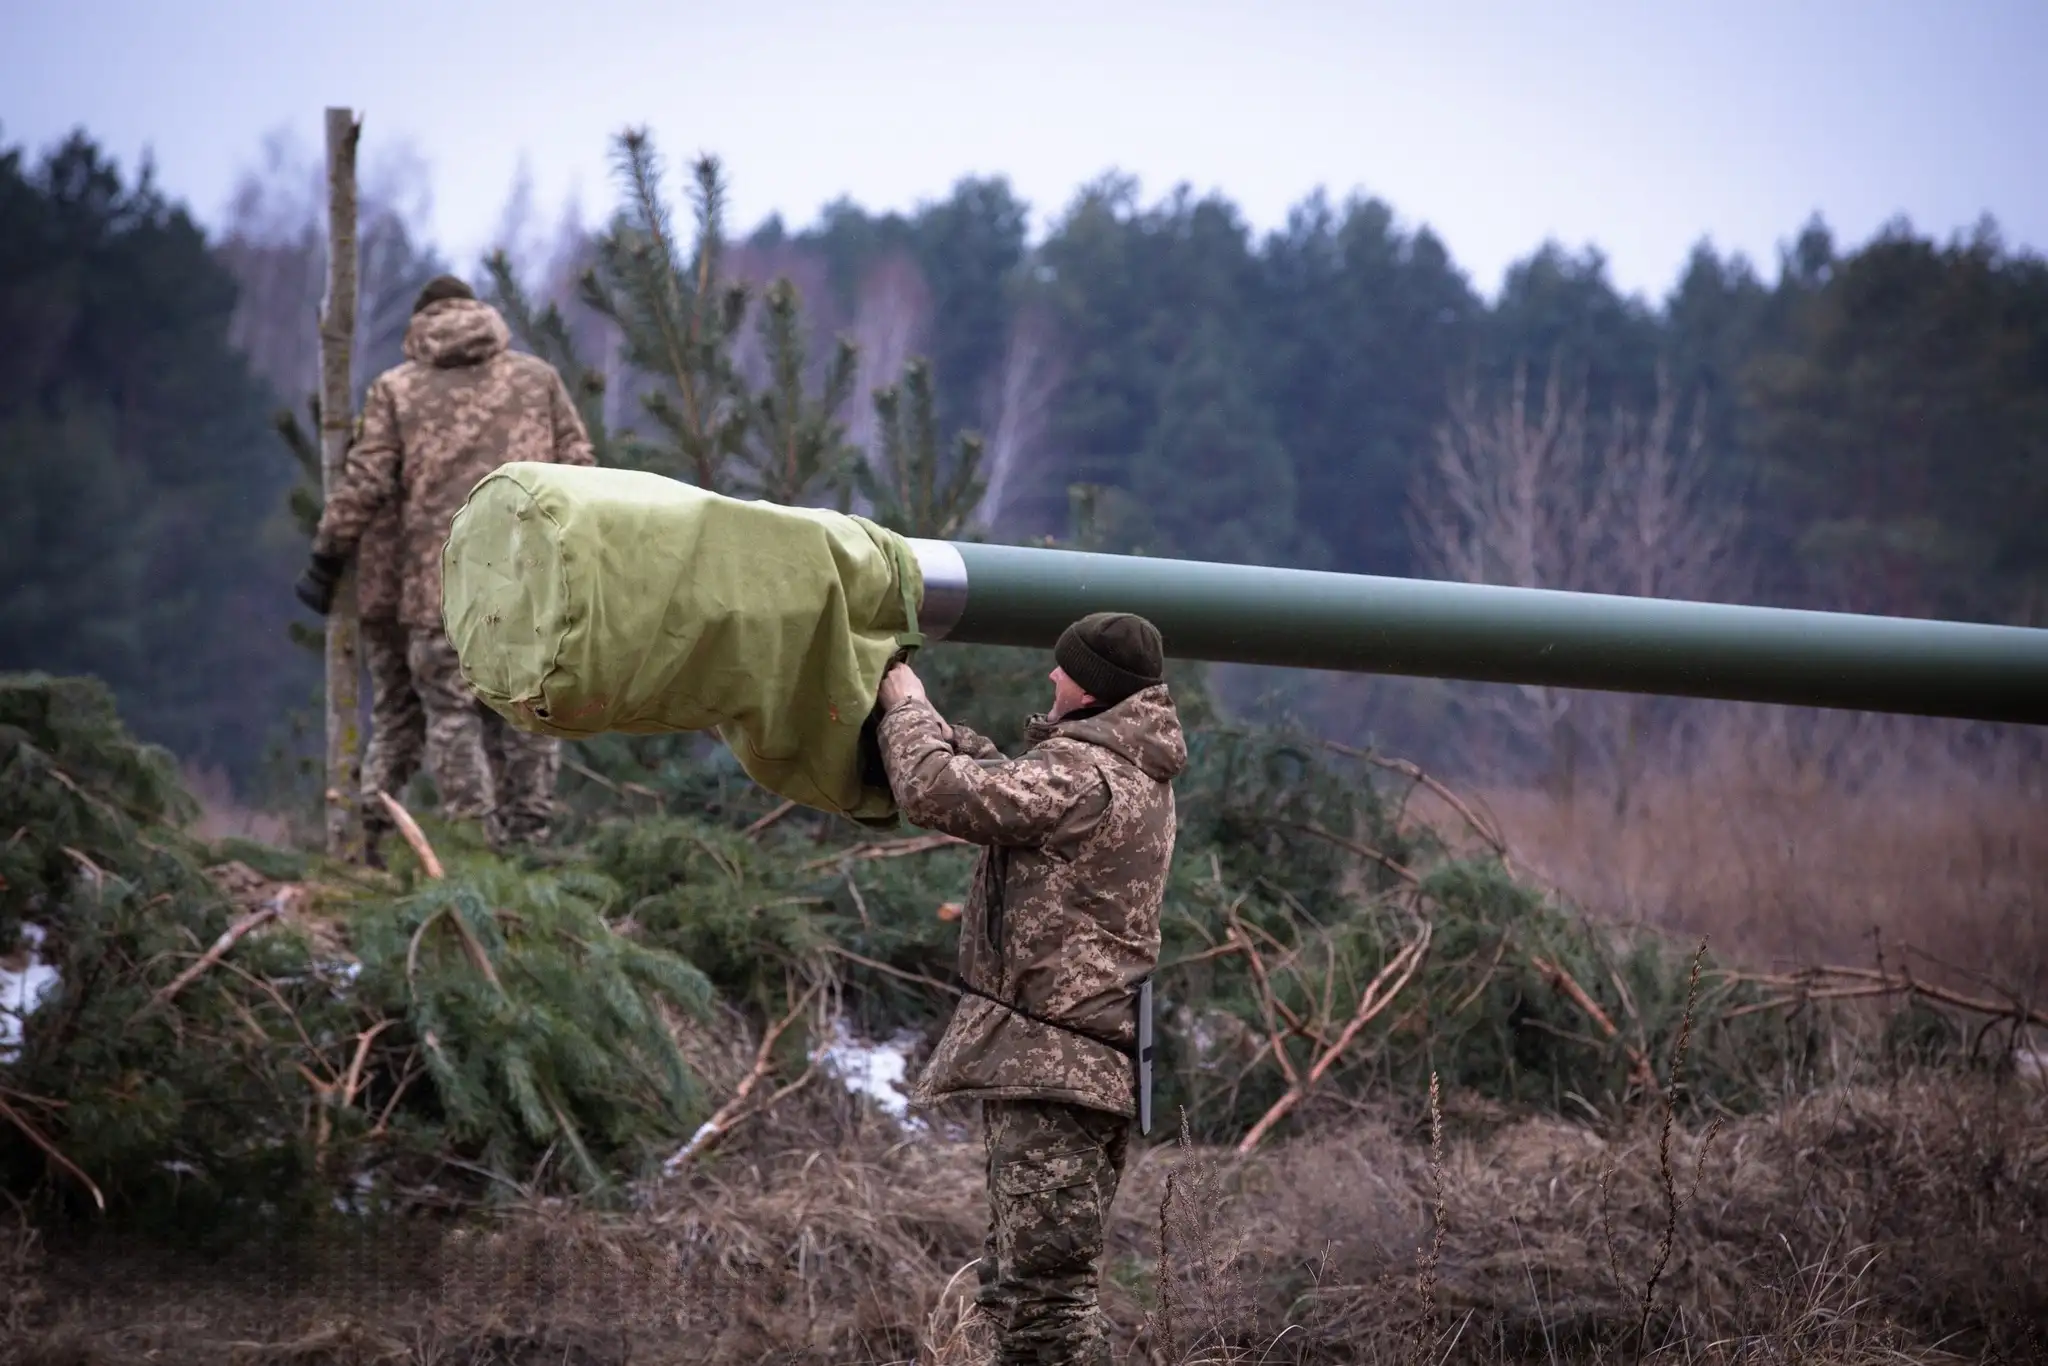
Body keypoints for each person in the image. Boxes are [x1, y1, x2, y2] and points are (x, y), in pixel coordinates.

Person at [874, 611, 1187, 1366]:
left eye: (1065, 669)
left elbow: (935, 793)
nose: (1051, 676)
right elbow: (999, 787)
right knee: (1027, 1293)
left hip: (1060, 1069)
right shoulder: (1118, 767)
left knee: (1041, 1310)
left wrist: (905, 704)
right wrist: (950, 734)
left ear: (1092, 691)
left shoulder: (1088, 774)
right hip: (1066, 1066)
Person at [295, 274, 596, 851]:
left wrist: (326, 555)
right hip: (529, 584)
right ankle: (528, 846)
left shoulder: (398, 390)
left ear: (420, 323)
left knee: (449, 715)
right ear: (478, 312)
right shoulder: (539, 380)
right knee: (529, 710)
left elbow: (367, 480)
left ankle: (471, 848)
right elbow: (581, 470)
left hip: (437, 588)